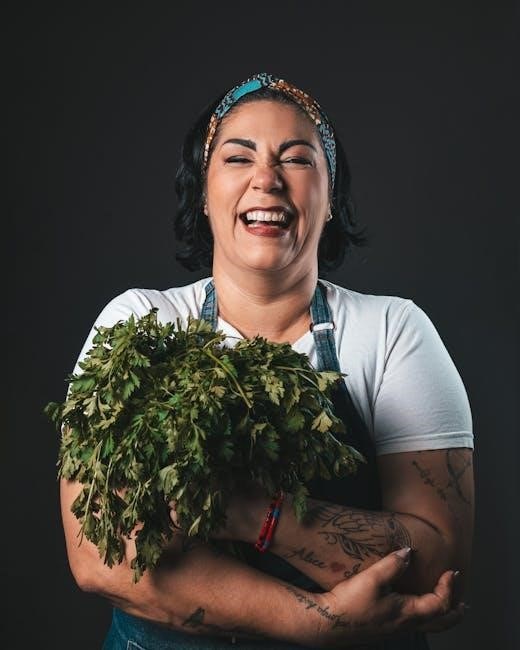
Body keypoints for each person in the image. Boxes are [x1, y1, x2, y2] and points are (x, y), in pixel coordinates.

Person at [60, 72, 474, 649]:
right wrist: (315, 620)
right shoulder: (139, 325)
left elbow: (435, 565)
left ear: (330, 200)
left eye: (297, 159)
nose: (267, 179)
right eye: (238, 157)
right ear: (203, 194)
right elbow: (99, 555)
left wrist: (251, 513)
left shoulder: (392, 332)